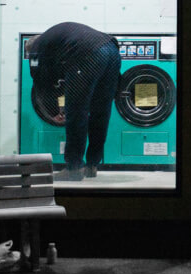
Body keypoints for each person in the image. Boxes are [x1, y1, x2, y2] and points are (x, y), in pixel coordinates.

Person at [28, 22, 121, 181]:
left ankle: (74, 168)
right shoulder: (59, 40)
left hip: (89, 53)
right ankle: (92, 164)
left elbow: (41, 82)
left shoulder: (35, 48)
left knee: (77, 111)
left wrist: (53, 112)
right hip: (112, 51)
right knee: (101, 111)